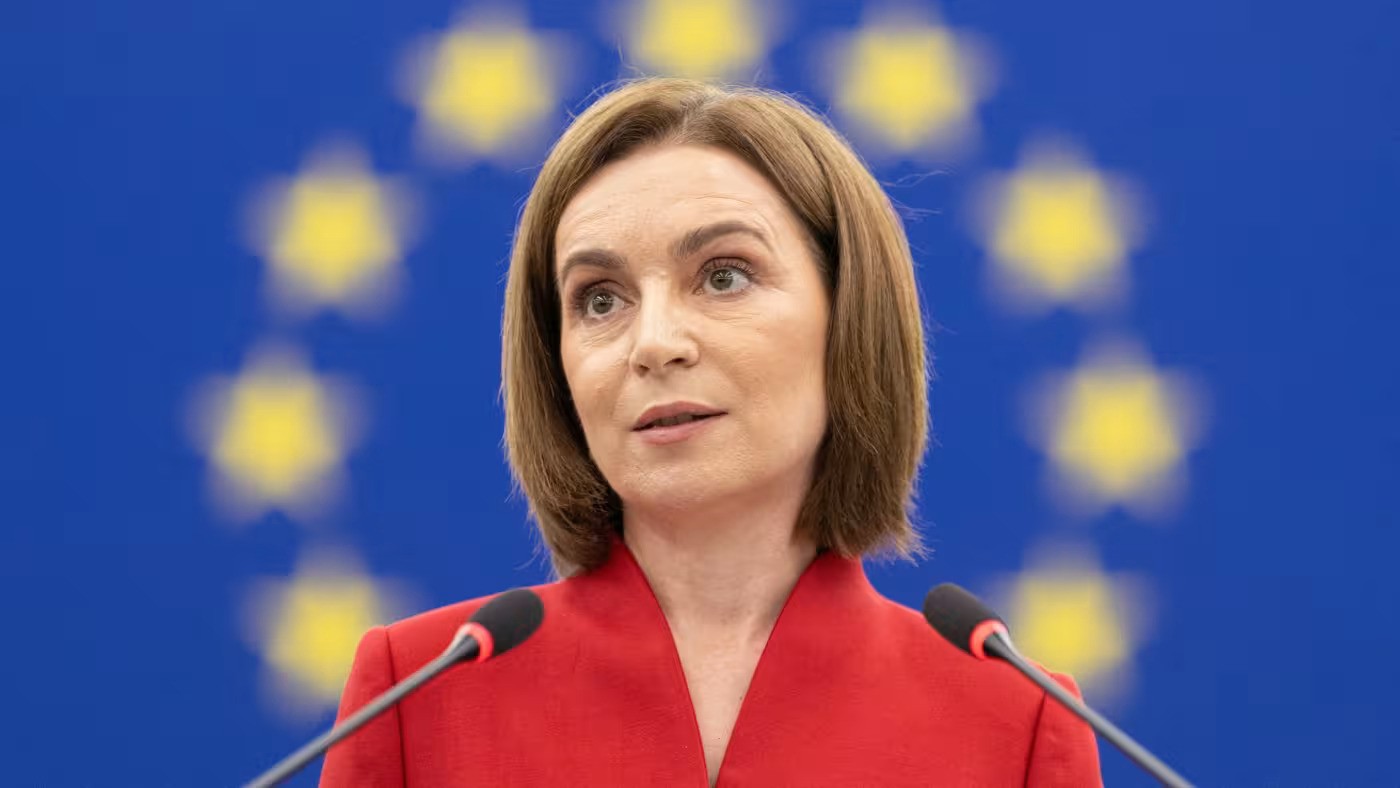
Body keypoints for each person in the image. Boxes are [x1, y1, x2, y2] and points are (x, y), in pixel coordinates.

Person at [321, 77, 1102, 787]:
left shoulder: (1013, 720)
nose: (654, 342)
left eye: (724, 276)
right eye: (599, 299)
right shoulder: (419, 695)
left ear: (849, 319)